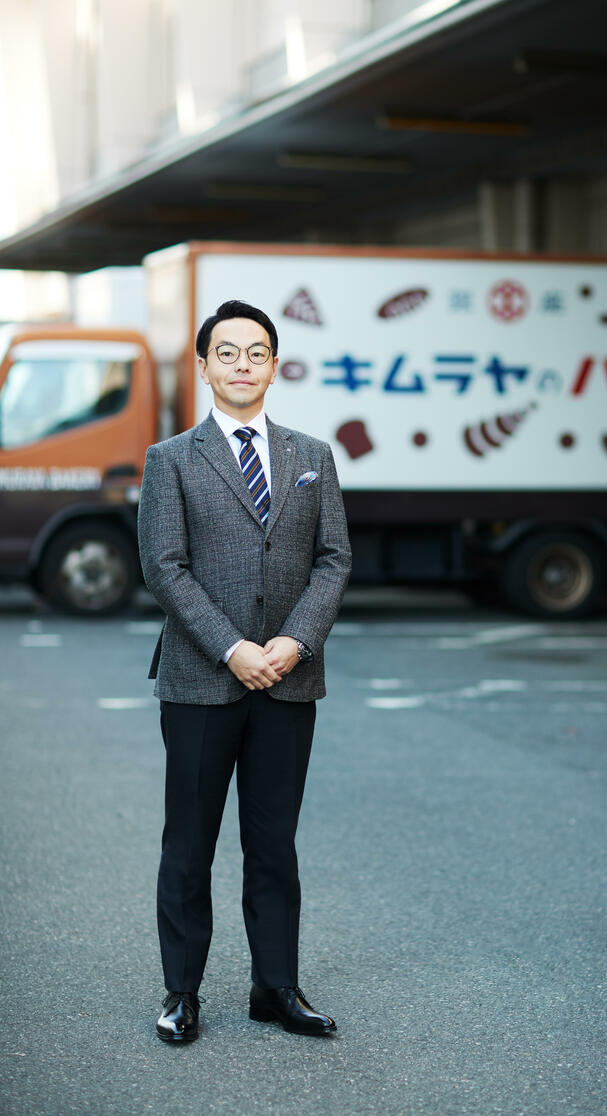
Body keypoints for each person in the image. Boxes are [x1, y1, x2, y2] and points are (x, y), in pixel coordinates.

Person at [137, 299, 351, 1043]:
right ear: (203, 366)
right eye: (227, 353)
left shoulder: (311, 456)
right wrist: (234, 647)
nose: (242, 365)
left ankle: (276, 987)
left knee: (273, 842)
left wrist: (294, 641)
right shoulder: (171, 461)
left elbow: (333, 560)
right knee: (189, 842)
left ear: (274, 364)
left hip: (289, 679)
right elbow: (165, 569)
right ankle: (181, 991)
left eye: (256, 353)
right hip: (202, 680)